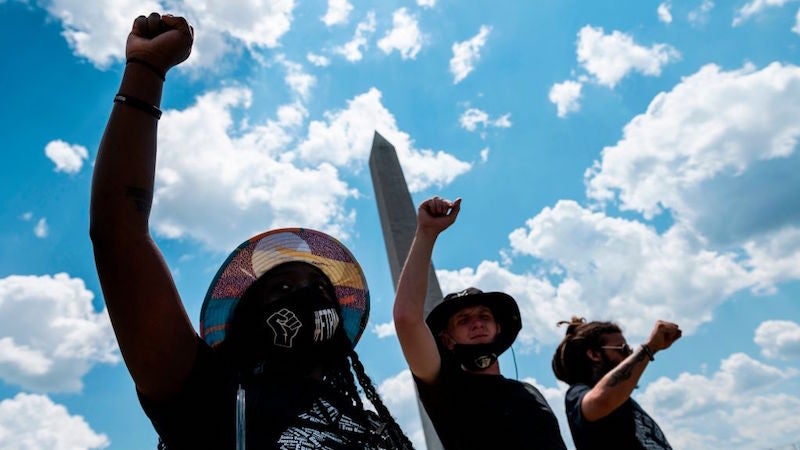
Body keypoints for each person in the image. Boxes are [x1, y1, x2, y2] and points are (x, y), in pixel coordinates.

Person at [90, 12, 412, 449]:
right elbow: (118, 233)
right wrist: (145, 73)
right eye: (282, 289)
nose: (307, 295)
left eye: (319, 287)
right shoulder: (207, 394)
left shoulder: (379, 430)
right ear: (245, 319)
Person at [392, 196, 567, 450]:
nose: (477, 324)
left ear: (499, 328)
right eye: (463, 320)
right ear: (446, 339)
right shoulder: (444, 386)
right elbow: (407, 319)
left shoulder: (530, 392)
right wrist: (427, 232)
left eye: (485, 316)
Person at [552, 317, 682, 450]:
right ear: (595, 355)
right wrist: (649, 348)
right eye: (623, 349)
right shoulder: (577, 393)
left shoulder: (624, 401)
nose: (629, 357)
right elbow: (601, 400)